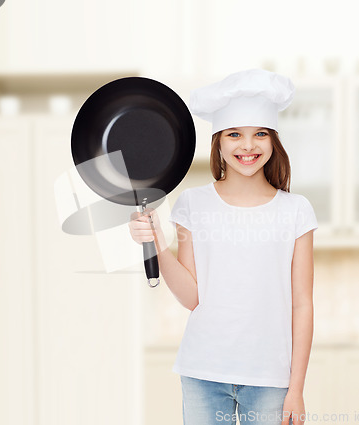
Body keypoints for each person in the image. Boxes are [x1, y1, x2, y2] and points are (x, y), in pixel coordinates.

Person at [128, 68, 318, 425]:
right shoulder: (192, 204)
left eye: (260, 133)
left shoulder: (295, 211)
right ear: (218, 141)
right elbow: (192, 297)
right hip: (203, 371)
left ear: (273, 140)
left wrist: (296, 387)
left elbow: (302, 304)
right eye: (234, 134)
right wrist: (156, 243)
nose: (248, 146)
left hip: (270, 379)